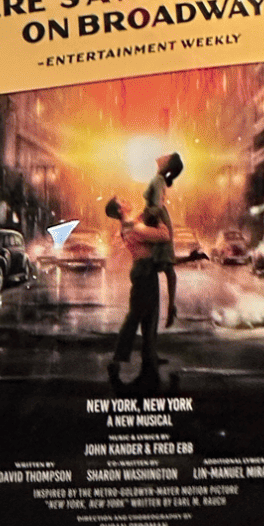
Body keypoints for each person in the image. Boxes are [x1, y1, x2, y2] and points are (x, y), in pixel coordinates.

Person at [106, 195, 172, 387]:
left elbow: (141, 217)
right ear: (120, 210)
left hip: (145, 269)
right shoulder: (132, 227)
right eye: (122, 201)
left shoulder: (130, 223)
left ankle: (150, 356)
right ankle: (117, 360)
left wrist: (153, 205)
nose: (127, 200)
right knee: (136, 316)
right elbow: (163, 235)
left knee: (150, 316)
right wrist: (160, 221)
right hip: (144, 271)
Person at [144, 151, 183, 328]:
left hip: (157, 221)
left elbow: (157, 205)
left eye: (166, 157)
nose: (162, 156)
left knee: (159, 266)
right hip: (158, 221)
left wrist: (144, 216)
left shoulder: (158, 180)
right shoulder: (158, 179)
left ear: (166, 165)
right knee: (164, 267)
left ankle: (161, 309)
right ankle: (168, 307)